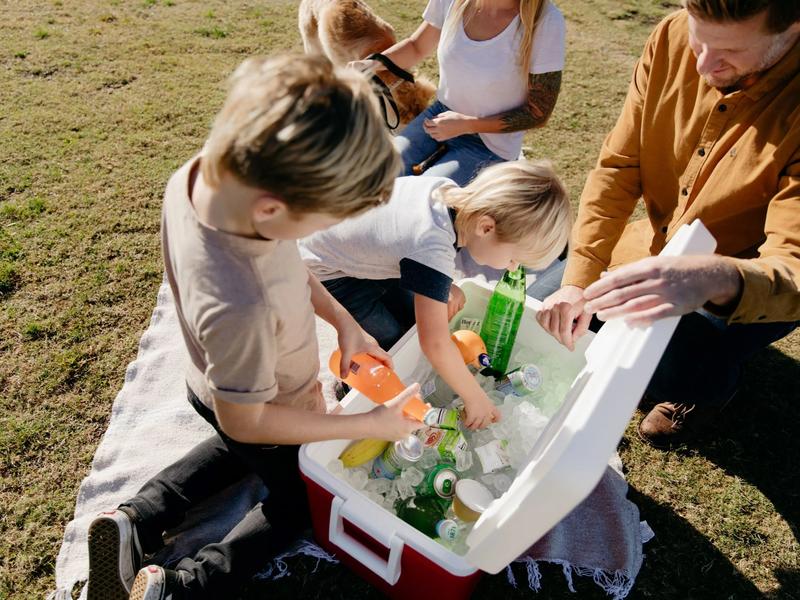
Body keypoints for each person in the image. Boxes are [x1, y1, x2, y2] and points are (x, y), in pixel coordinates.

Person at [85, 54, 422, 600]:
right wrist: (365, 425)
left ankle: (137, 518)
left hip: (217, 383)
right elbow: (249, 422)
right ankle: (182, 586)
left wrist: (345, 322)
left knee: (228, 449)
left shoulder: (209, 176)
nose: (326, 233)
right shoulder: (242, 301)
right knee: (298, 501)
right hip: (265, 405)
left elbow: (289, 260)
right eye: (325, 221)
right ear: (271, 209)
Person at [537, 0, 800, 447]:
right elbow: (619, 168)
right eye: (699, 38)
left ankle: (708, 390)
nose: (702, 64)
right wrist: (576, 280)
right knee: (547, 309)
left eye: (729, 51)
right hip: (656, 248)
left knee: (675, 366)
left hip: (749, 284)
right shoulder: (672, 34)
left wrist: (717, 278)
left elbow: (793, 266)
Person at [300, 159, 572, 430]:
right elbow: (435, 344)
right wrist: (475, 397)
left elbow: (408, 244)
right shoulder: (432, 248)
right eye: (514, 258)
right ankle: (351, 384)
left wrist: (439, 284)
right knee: (392, 340)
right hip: (328, 272)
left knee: (411, 324)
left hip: (357, 250)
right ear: (486, 227)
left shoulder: (446, 191)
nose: (513, 268)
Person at [354, 0, 565, 185]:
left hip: (490, 144)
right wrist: (373, 64)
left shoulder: (545, 20)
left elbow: (538, 112)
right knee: (376, 176)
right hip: (439, 116)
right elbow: (417, 46)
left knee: (425, 199)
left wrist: (467, 124)